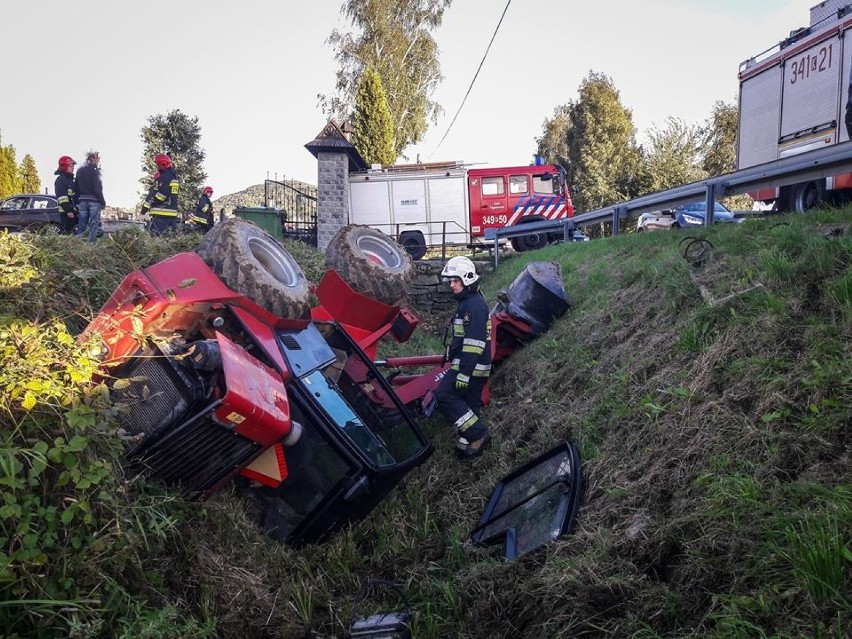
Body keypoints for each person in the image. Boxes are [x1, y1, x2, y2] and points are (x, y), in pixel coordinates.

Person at [434, 256, 493, 459]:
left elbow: (474, 344)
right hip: (474, 367)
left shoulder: (473, 306)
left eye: (455, 280)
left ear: (467, 279)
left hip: (471, 367)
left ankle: (478, 434)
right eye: (450, 281)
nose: (451, 285)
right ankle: (467, 445)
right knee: (470, 404)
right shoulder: (469, 303)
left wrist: (464, 374)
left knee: (443, 394)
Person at [141, 153, 180, 236]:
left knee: (156, 238)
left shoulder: (164, 177)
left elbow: (162, 194)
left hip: (161, 214)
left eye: (157, 164)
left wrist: (152, 203)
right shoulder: (173, 176)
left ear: (163, 164)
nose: (157, 167)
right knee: (170, 240)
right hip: (171, 214)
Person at [75, 151, 105, 242]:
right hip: (94, 201)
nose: (98, 161)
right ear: (92, 159)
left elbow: (76, 186)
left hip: (82, 200)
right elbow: (98, 188)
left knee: (82, 224)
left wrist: (77, 200)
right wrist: (102, 202)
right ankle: (91, 246)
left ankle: (78, 244)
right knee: (93, 225)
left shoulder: (80, 171)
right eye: (97, 159)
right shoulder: (95, 172)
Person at [53, 156, 78, 234]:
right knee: (67, 234)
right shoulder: (60, 180)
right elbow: (62, 197)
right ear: (64, 166)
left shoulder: (71, 180)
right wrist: (68, 211)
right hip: (67, 214)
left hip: (74, 212)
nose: (73, 168)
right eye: (71, 166)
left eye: (73, 166)